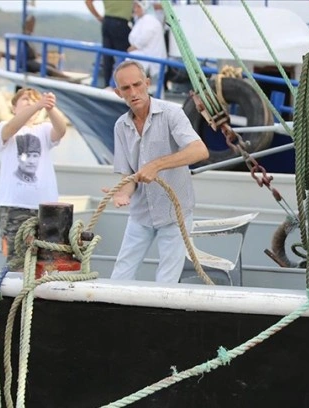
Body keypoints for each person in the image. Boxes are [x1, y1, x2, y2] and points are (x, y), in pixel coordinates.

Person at [106, 60, 209, 283]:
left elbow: (200, 150)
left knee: (167, 281)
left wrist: (157, 164)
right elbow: (129, 175)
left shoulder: (172, 113)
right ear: (118, 92)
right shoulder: (120, 126)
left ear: (148, 83)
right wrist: (123, 194)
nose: (133, 92)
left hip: (175, 212)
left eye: (137, 84)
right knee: (120, 275)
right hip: (141, 212)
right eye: (126, 88)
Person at [0, 88, 67, 268]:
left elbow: (61, 129)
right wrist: (38, 105)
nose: (31, 102)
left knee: (48, 259)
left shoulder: (44, 129)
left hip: (46, 208)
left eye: (34, 99)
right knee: (16, 259)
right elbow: (11, 128)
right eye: (26, 99)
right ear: (13, 107)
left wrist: (50, 108)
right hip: (14, 206)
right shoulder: (4, 127)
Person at [0, 15, 73, 81]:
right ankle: (68, 79)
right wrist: (4, 54)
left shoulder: (28, 38)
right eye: (31, 25)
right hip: (28, 63)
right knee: (45, 68)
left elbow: (33, 54)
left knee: (51, 65)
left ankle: (63, 78)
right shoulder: (24, 39)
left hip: (31, 61)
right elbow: (19, 56)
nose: (32, 27)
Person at [85, 0, 133, 88]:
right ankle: (120, 85)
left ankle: (108, 85)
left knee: (107, 56)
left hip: (106, 22)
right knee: (124, 55)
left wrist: (98, 17)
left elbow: (88, 2)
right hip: (121, 23)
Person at [127, 0, 166, 85]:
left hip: (151, 59)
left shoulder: (149, 20)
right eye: (134, 7)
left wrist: (134, 46)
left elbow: (145, 36)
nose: (135, 9)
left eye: (138, 7)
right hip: (146, 57)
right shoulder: (143, 20)